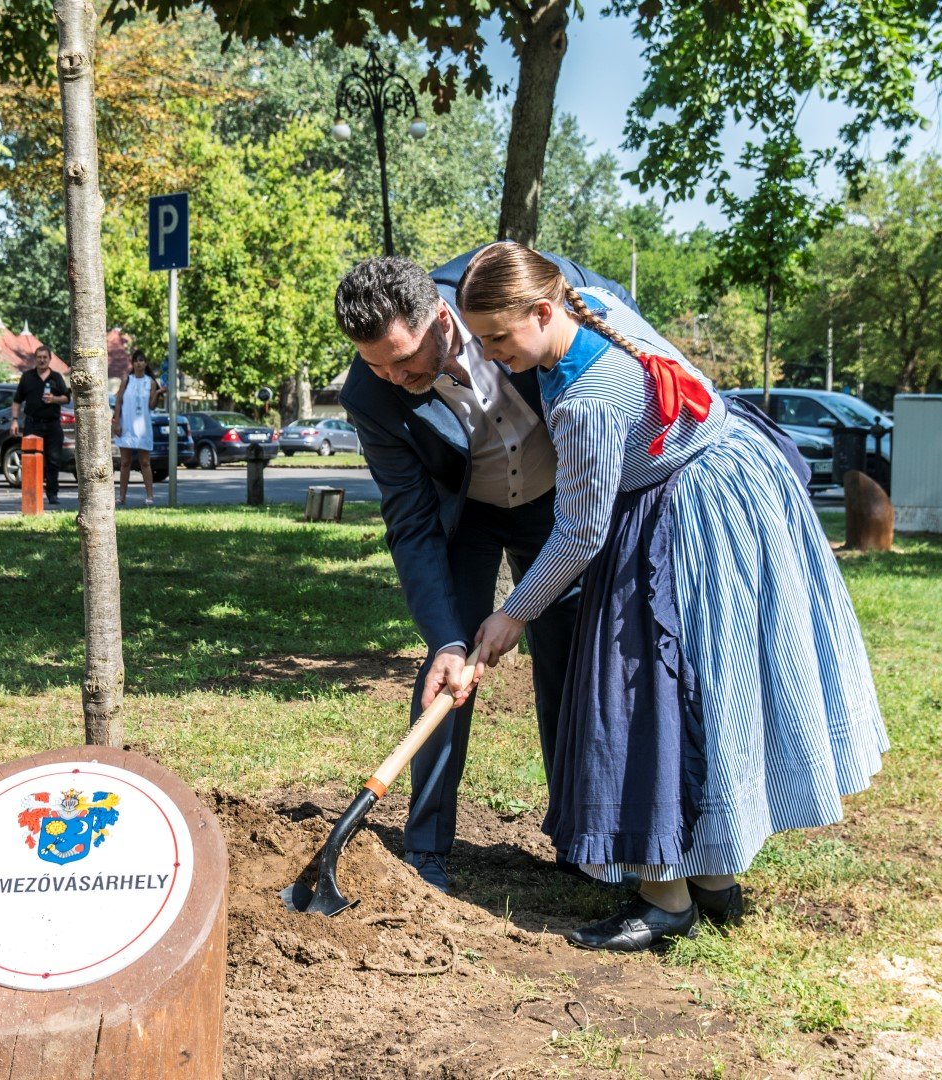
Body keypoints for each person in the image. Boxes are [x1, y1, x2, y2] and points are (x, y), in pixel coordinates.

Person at [456, 241, 887, 952]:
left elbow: (577, 535)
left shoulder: (586, 403)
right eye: (482, 342)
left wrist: (512, 614)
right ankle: (713, 879)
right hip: (735, 481)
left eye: (500, 338)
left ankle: (665, 901)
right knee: (713, 687)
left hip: (684, 518)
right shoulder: (596, 309)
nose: (495, 355)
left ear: (542, 309)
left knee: (644, 697)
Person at [332, 251, 632, 894]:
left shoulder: (516, 302)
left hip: (563, 506)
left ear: (443, 318)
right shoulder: (370, 394)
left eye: (403, 359)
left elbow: (622, 354)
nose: (392, 376)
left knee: (573, 664)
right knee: (449, 667)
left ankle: (586, 840)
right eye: (375, 363)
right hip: (467, 513)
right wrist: (444, 636)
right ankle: (426, 848)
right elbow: (409, 521)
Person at [10, 344, 70, 505]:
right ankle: (31, 493)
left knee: (53, 461)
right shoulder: (27, 377)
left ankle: (52, 494)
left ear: (50, 359)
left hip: (52, 425)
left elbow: (67, 398)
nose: (42, 360)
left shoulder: (56, 378)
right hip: (33, 425)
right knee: (30, 460)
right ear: (35, 359)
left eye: (45, 357)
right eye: (39, 357)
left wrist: (54, 399)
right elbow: (16, 401)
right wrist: (14, 421)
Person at [113, 349, 161, 506]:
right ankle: (121, 497)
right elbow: (119, 402)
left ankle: (150, 496)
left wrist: (159, 393)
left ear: (145, 363)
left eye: (142, 360)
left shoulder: (150, 382)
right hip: (126, 426)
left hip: (143, 428)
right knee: (125, 462)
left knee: (145, 462)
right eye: (136, 360)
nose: (139, 363)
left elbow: (152, 406)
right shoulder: (127, 380)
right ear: (132, 363)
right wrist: (117, 422)